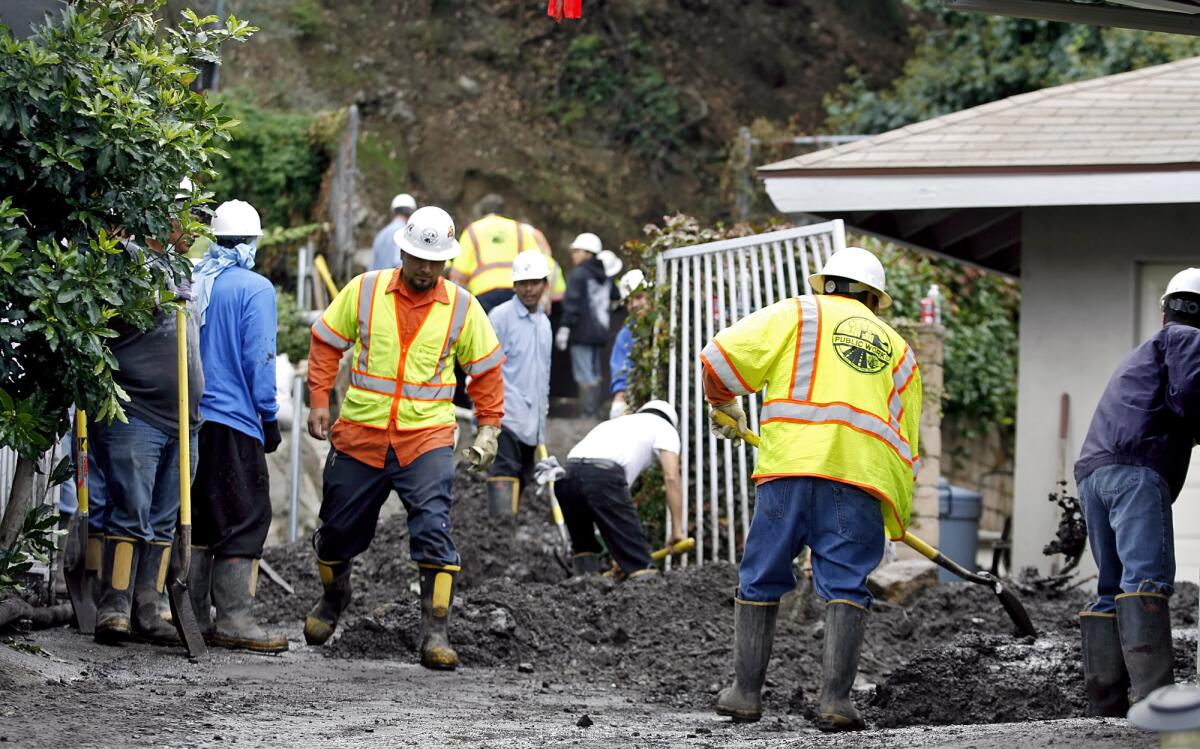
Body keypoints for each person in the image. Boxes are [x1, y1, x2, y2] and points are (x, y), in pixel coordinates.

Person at [702, 246, 921, 730]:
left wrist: (727, 405)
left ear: (826, 284)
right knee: (846, 585)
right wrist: (896, 514)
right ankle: (836, 703)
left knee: (761, 575)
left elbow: (718, 360)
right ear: (872, 297)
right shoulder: (901, 352)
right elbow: (908, 445)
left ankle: (744, 694)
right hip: (859, 481)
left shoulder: (796, 313)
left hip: (790, 471)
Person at [304, 205, 505, 670]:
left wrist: (489, 426)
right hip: (360, 433)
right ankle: (334, 597)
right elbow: (326, 341)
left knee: (434, 529)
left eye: (435, 261)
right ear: (402, 250)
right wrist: (319, 400)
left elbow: (487, 370)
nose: (426, 268)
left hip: (426, 438)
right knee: (335, 535)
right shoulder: (366, 289)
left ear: (447, 261)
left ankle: (435, 632)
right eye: (418, 258)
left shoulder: (462, 306)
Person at [1074, 267, 1200, 717]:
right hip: (1135, 472)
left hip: (1095, 473)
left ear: (1165, 308)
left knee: (1111, 587)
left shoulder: (1149, 348)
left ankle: (1104, 707)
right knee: (1146, 580)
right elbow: (1189, 394)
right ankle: (1156, 704)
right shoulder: (1189, 339)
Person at [91, 211, 204, 647]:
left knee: (163, 518)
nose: (194, 230)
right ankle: (114, 606)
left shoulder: (187, 272)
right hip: (136, 413)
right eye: (187, 218)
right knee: (130, 510)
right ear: (161, 218)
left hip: (186, 420)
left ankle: (150, 607)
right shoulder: (127, 262)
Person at [188, 199, 288, 653]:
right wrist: (268, 417)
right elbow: (259, 361)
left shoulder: (196, 279)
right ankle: (233, 618)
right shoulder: (255, 289)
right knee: (246, 517)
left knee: (200, 518)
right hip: (235, 421)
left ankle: (187, 617)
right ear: (253, 242)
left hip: (192, 419)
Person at [556, 400, 685, 577]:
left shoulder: (614, 424)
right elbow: (672, 478)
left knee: (584, 545)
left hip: (566, 475)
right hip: (602, 475)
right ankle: (646, 590)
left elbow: (610, 513)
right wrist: (677, 529)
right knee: (640, 562)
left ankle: (583, 589)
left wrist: (620, 553)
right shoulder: (665, 428)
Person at [485, 251, 553, 517]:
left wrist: (542, 420)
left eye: (534, 282)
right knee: (504, 472)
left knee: (524, 475)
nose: (528, 289)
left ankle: (513, 537)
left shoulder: (544, 324)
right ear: (514, 285)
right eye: (522, 283)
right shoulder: (500, 317)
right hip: (506, 415)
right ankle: (499, 531)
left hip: (532, 419)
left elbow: (543, 374)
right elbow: (483, 365)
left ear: (545, 284)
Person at [447, 194, 565, 313]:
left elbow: (459, 273)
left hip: (483, 292)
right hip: (515, 292)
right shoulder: (519, 229)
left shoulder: (472, 230)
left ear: (482, 211)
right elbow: (537, 261)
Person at [556, 232, 615, 419]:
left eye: (577, 251)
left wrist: (565, 327)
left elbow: (571, 302)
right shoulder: (604, 275)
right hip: (600, 333)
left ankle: (588, 414)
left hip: (581, 333)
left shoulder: (579, 274)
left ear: (588, 253)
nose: (573, 255)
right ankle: (594, 411)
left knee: (583, 375)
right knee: (595, 373)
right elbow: (614, 297)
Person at [609, 270, 650, 420]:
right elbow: (621, 369)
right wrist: (619, 400)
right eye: (629, 300)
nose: (633, 304)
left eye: (639, 297)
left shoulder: (666, 326)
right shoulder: (626, 334)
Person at [370, 193, 417, 271]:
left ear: (393, 212)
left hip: (378, 281)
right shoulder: (406, 233)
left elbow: (372, 265)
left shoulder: (381, 234)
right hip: (394, 282)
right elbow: (399, 264)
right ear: (411, 213)